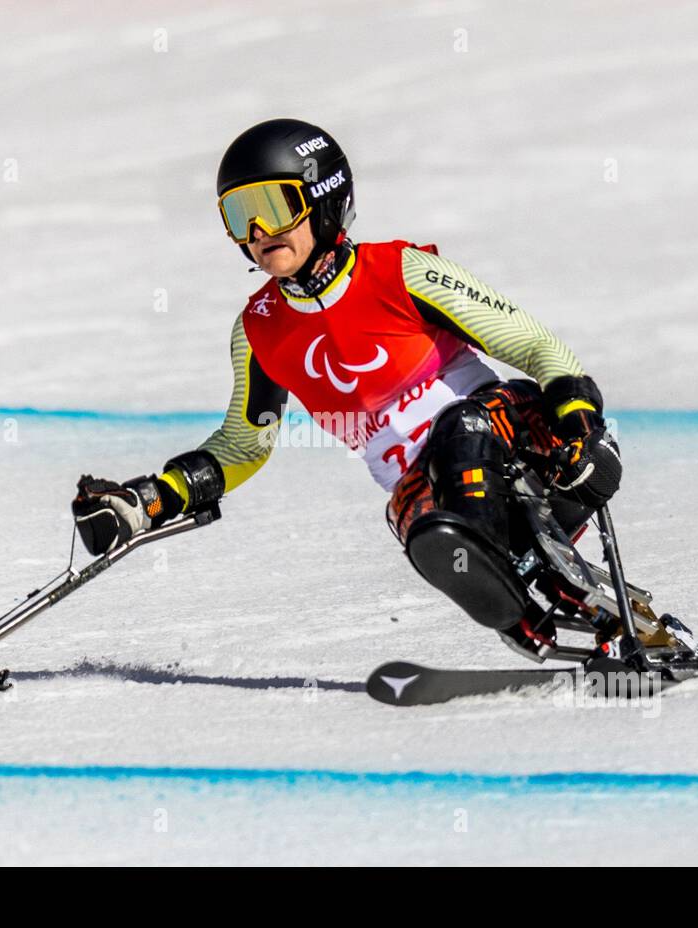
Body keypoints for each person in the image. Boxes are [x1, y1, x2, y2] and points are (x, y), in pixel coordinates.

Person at [72, 118, 622, 655]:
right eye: (240, 216)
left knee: (459, 431)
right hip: (436, 492)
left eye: (273, 208)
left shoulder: (401, 272)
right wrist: (151, 499)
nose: (259, 233)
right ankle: (527, 607)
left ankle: (499, 562)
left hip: (520, 442)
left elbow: (537, 348)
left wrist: (578, 419)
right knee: (416, 518)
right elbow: (245, 444)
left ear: (325, 199)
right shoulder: (260, 330)